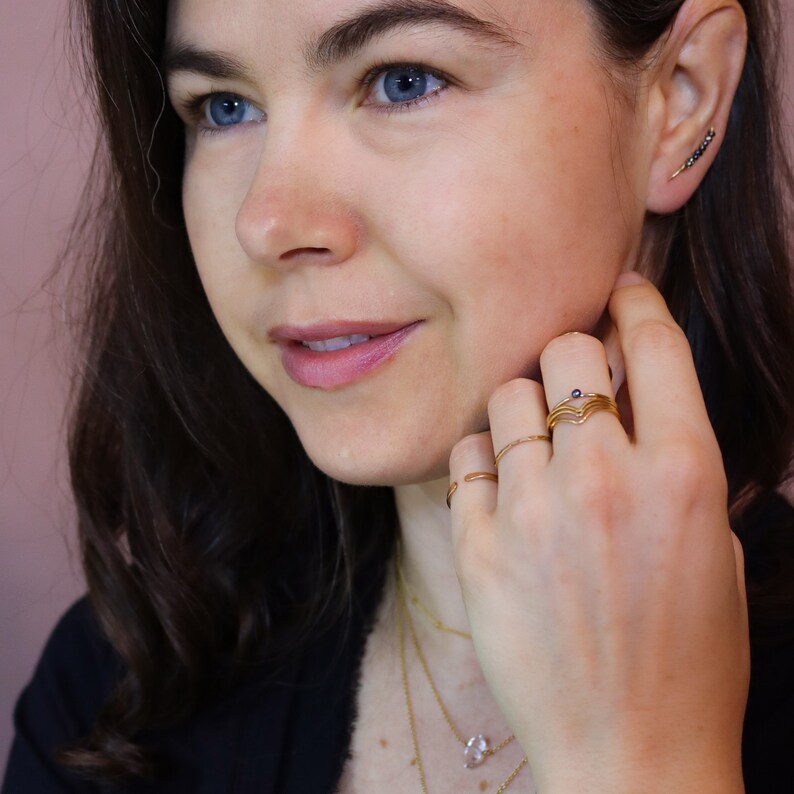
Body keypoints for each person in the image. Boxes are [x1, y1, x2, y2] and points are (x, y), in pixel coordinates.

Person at [4, 0, 794, 791]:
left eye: (402, 81)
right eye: (224, 107)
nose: (268, 221)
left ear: (681, 98)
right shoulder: (119, 697)